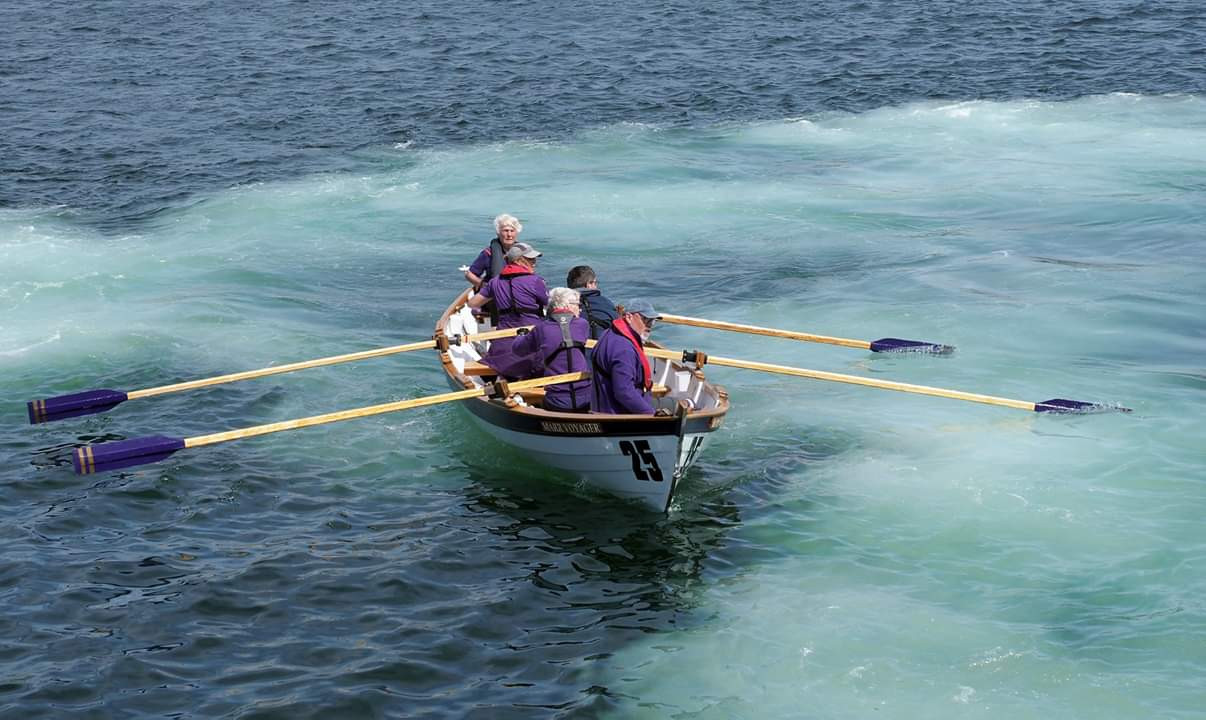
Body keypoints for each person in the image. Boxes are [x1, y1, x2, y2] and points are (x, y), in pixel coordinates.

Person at [498, 287, 592, 412]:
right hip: (587, 397)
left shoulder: (542, 328)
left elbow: (518, 350)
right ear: (567, 306)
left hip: (557, 401)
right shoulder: (583, 324)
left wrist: (521, 336)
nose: (579, 309)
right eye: (577, 305)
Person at [467, 242, 549, 364]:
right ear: (520, 261)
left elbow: (472, 304)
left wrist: (494, 292)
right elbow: (551, 306)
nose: (534, 262)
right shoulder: (536, 281)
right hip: (533, 337)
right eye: (530, 259)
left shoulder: (494, 282)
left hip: (503, 340)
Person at [591, 299, 665, 415]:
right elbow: (624, 392)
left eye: (652, 321)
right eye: (645, 320)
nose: (649, 326)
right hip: (619, 418)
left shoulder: (609, 334)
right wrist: (650, 414)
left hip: (603, 408)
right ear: (629, 317)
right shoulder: (623, 349)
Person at [464, 214, 522, 288]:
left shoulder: (523, 252)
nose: (509, 234)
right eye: (505, 231)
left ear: (516, 233)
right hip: (494, 292)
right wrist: (483, 285)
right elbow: (469, 274)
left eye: (512, 231)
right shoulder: (488, 254)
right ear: (498, 233)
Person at [566, 265, 619, 339]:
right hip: (599, 346)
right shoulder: (605, 303)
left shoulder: (562, 303)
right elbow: (618, 327)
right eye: (595, 282)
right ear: (588, 284)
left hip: (572, 347)